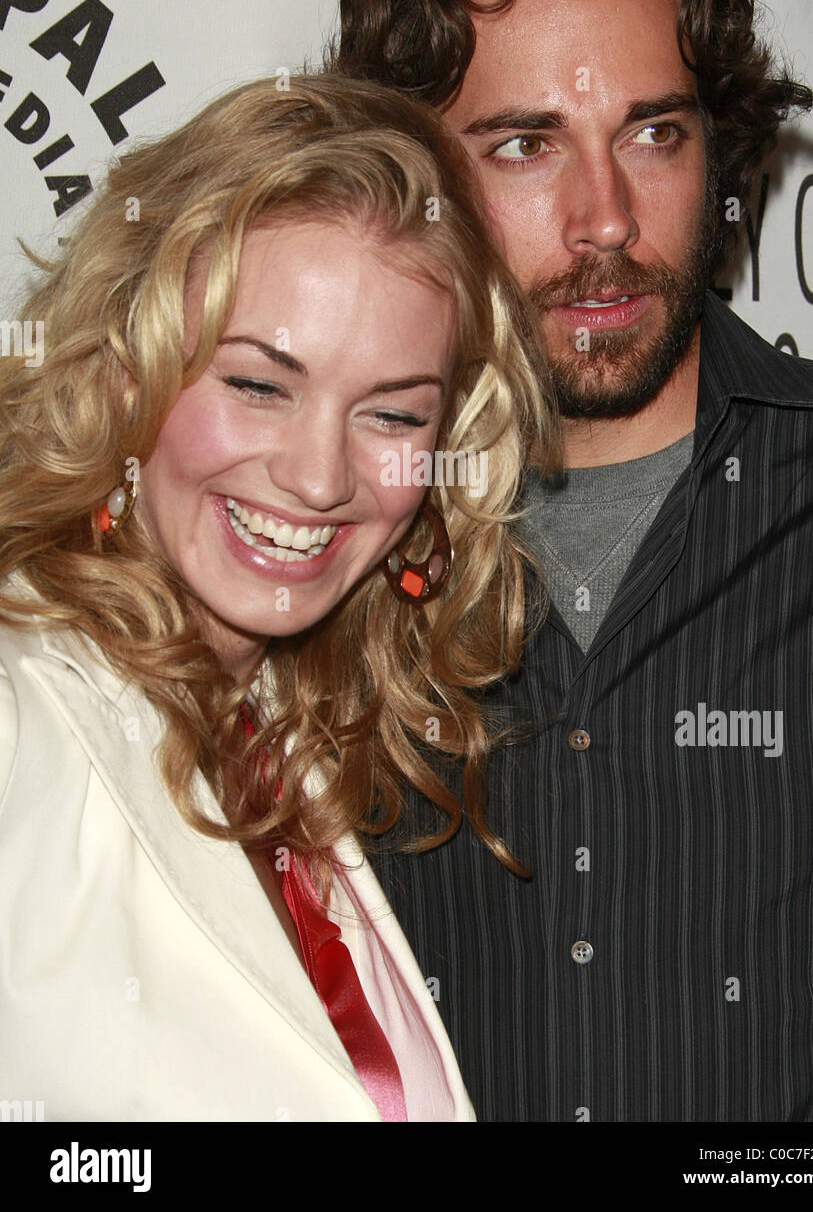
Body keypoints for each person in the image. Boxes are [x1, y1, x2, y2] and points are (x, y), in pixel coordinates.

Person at [333, 0, 813, 1122]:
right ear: (413, 179)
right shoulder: (317, 536)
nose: (607, 219)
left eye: (653, 133)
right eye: (525, 144)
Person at [0, 72, 558, 1121]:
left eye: (391, 416)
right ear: (130, 369)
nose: (317, 478)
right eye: (258, 384)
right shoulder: (19, 716)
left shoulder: (288, 757)